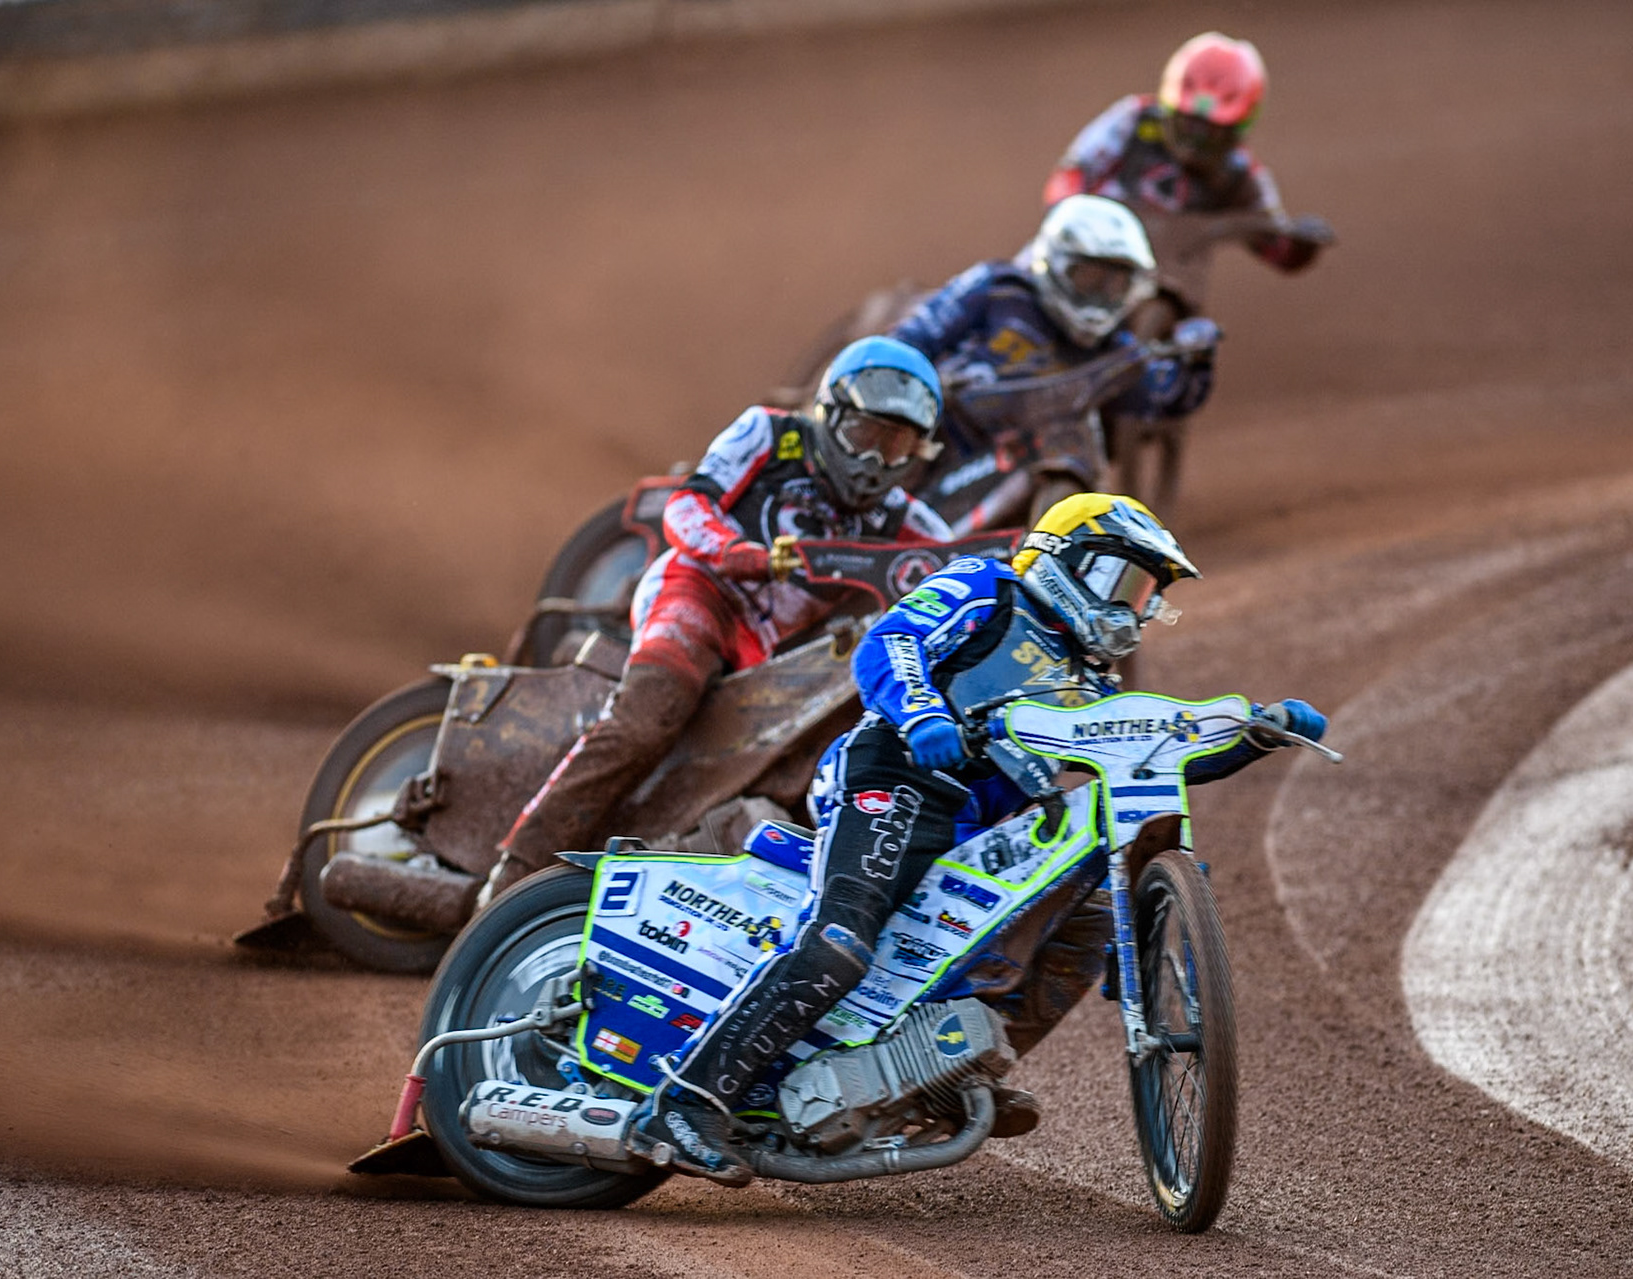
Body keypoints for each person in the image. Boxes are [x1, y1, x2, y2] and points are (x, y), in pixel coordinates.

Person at [632, 493, 1327, 1183]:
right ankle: (689, 1100)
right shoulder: (988, 587)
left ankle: (953, 1073)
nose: (1131, 608)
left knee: (1083, 914)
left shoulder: (1088, 682)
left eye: (1144, 594)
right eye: (1125, 581)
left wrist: (1254, 734)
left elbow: (1144, 754)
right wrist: (925, 715)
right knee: (842, 942)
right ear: (1067, 558)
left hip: (977, 821)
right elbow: (890, 642)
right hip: (897, 772)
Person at [483, 337, 953, 899]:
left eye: (896, 445)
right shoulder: (770, 435)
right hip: (701, 592)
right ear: (831, 415)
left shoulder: (910, 521)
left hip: (770, 654)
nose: (875, 460)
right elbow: (688, 503)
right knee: (647, 717)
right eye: (865, 436)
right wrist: (741, 555)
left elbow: (962, 575)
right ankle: (510, 876)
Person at [887, 193, 1219, 457]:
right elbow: (913, 339)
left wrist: (1198, 360)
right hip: (939, 443)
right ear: (1055, 262)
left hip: (1039, 459)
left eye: (1114, 284)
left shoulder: (1112, 351)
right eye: (1089, 279)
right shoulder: (998, 289)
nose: (1100, 298)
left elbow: (1161, 396)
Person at [1043, 32, 1334, 305]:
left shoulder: (1240, 175)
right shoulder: (1132, 121)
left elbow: (1276, 248)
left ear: (1236, 131)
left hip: (1150, 291)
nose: (1195, 142)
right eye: (1188, 125)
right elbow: (1065, 182)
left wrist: (1301, 245)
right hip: (1076, 260)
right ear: (1169, 109)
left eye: (1211, 132)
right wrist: (1083, 223)